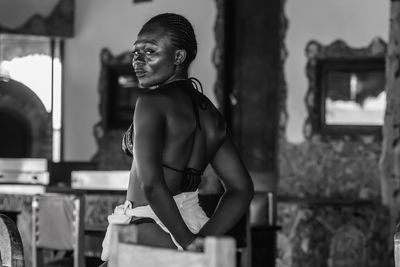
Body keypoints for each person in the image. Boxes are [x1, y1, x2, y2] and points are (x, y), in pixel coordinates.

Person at [100, 12, 254, 263]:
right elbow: (242, 189)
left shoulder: (151, 103)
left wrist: (186, 242)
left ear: (179, 57)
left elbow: (151, 184)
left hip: (149, 231)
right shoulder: (212, 116)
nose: (137, 60)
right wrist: (201, 240)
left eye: (150, 52)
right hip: (195, 223)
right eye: (136, 52)